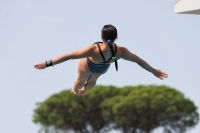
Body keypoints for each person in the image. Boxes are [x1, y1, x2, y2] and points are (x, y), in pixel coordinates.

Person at [34, 24, 168, 95]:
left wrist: (47, 63)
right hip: (104, 68)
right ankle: (84, 91)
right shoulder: (121, 51)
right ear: (116, 37)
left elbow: (68, 56)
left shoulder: (93, 50)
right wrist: (154, 72)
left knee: (80, 80)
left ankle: (75, 90)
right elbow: (140, 61)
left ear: (101, 36)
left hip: (88, 65)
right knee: (93, 81)